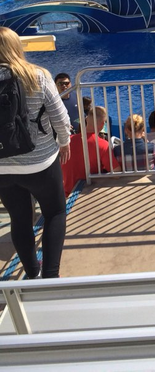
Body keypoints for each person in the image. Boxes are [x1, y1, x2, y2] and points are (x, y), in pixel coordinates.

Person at [0, 27, 71, 279]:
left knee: (19, 219)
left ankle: (32, 273)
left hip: (2, 167)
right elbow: (60, 117)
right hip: (40, 162)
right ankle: (50, 277)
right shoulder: (37, 76)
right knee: (55, 213)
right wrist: (64, 142)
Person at [62, 106, 121, 197]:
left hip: (66, 194)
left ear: (86, 119)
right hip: (87, 194)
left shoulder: (67, 142)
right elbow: (116, 173)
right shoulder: (103, 145)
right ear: (103, 124)